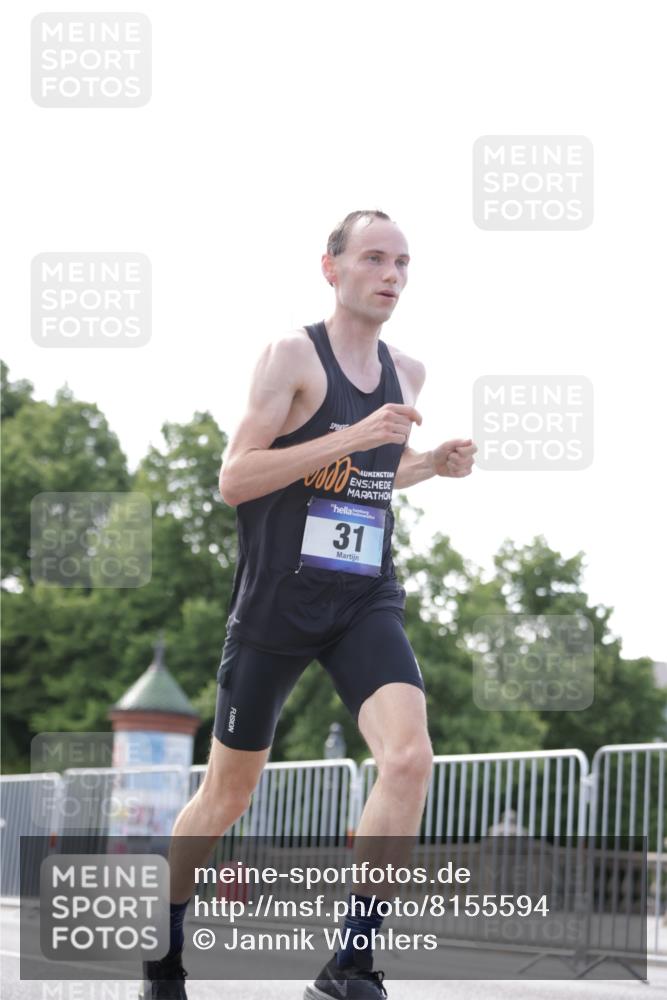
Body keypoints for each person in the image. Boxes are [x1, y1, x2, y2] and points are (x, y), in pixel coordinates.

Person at [140, 210, 477, 1000]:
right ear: (331, 268)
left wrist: (427, 463)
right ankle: (163, 946)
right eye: (373, 259)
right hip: (275, 605)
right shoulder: (291, 355)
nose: (390, 275)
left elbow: (364, 479)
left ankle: (350, 962)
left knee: (407, 758)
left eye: (402, 262)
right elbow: (237, 478)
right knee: (226, 796)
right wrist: (352, 435)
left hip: (363, 598)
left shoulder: (409, 371)